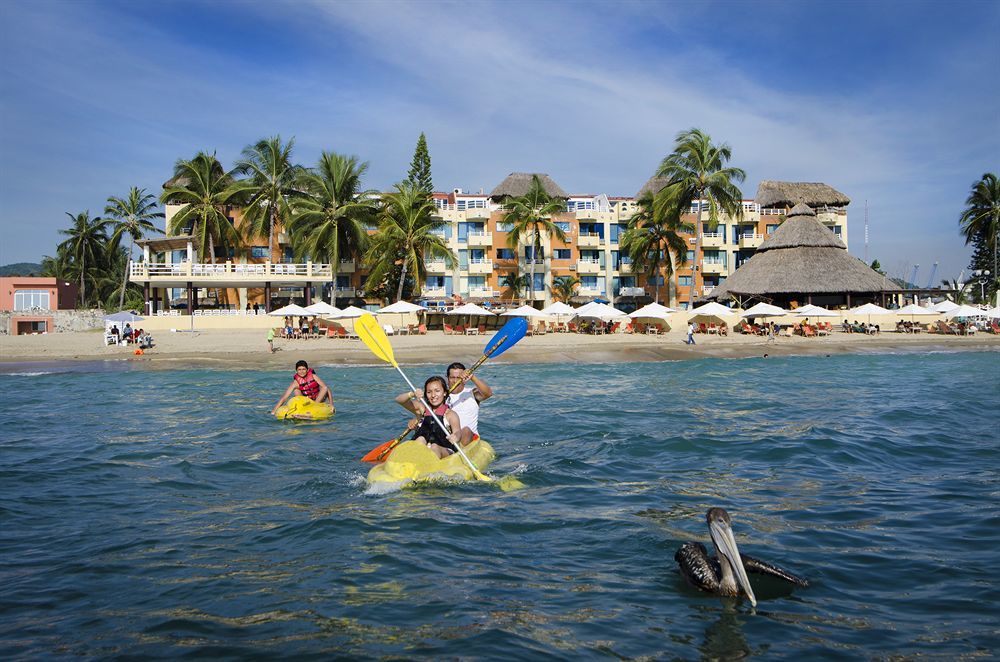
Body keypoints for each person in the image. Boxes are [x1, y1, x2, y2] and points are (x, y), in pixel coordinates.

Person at [396, 376, 462, 459]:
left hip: (444, 450)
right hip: (423, 448)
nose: (433, 395)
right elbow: (399, 400)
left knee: (434, 447)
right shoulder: (422, 409)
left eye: (437, 391)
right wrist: (412, 394)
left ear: (444, 392)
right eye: (429, 392)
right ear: (426, 395)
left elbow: (458, 432)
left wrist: (456, 436)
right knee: (420, 439)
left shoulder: (450, 414)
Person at [446, 362, 493, 445]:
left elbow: (488, 393)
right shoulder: (440, 396)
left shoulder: (472, 393)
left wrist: (472, 377)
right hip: (449, 438)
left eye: (458, 377)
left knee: (466, 430)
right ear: (447, 378)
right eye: (452, 377)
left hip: (470, 438)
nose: (455, 381)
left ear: (464, 378)